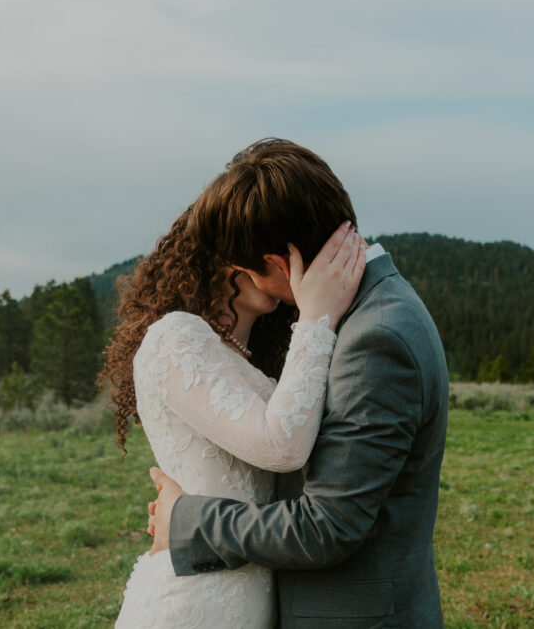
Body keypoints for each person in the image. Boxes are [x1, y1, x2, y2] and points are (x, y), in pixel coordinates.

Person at [147, 138, 450, 628]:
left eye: (246, 271)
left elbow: (327, 526)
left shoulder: (375, 338)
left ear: (275, 263)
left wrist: (185, 518)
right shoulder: (371, 310)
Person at [101, 202, 366, 628]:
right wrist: (317, 319)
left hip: (252, 598)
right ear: (213, 258)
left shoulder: (254, 362)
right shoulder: (176, 336)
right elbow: (283, 447)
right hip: (191, 603)